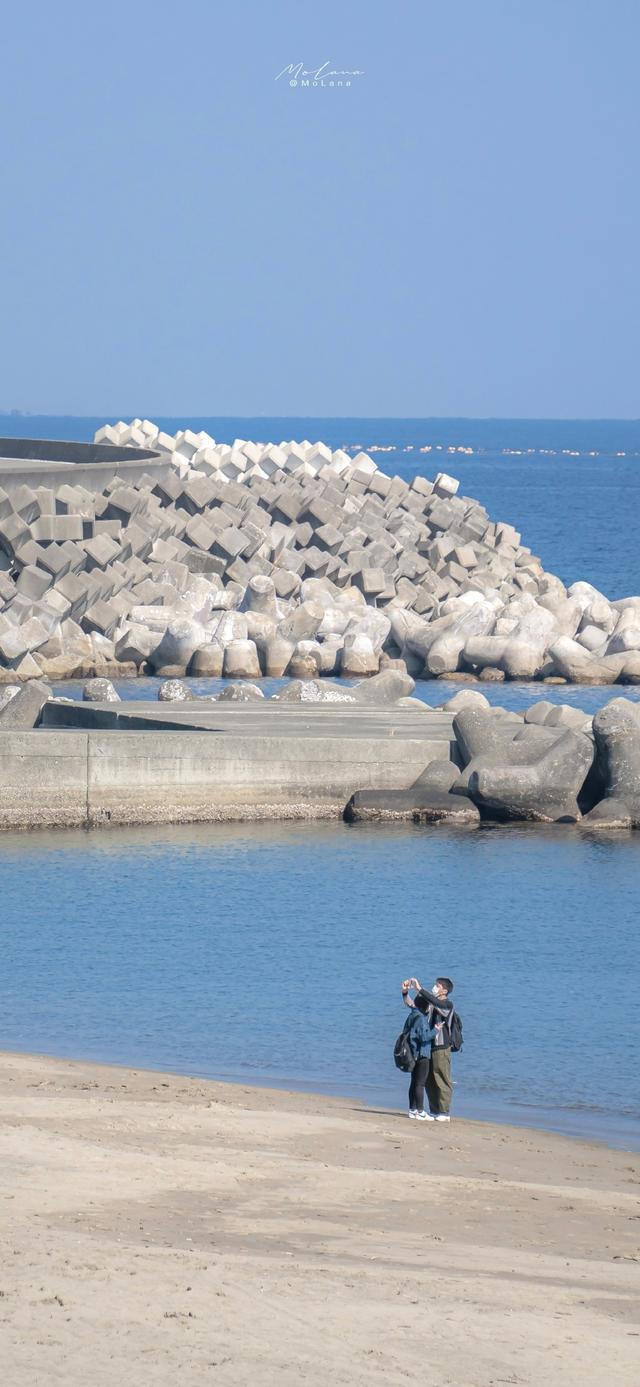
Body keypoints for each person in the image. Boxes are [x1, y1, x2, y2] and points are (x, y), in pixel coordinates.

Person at [402, 975, 455, 1122]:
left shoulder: (448, 1004)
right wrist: (405, 993)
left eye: (437, 985)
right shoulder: (431, 1002)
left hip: (442, 1046)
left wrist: (420, 988)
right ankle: (434, 1110)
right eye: (435, 985)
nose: (435, 987)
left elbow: (440, 1007)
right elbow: (414, 1007)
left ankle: (444, 1111)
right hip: (428, 1045)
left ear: (444, 990)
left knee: (442, 1078)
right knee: (429, 1079)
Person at [404, 1005, 442, 1120]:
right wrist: (436, 1029)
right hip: (422, 1054)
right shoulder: (421, 1018)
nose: (429, 1008)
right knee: (420, 1084)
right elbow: (424, 1037)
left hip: (412, 1054)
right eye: (428, 1006)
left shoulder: (412, 1015)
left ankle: (412, 1109)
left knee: (413, 1082)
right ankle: (420, 1111)